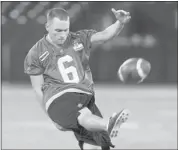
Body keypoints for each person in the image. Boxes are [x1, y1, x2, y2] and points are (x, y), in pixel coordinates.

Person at [24, 7, 131, 150]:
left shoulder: (78, 38)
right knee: (84, 116)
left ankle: (107, 125)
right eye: (58, 31)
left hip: (84, 95)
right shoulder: (36, 53)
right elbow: (38, 88)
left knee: (99, 142)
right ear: (47, 26)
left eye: (65, 30)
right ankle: (108, 123)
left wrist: (119, 23)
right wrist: (50, 115)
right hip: (59, 96)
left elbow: (105, 35)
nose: (62, 35)